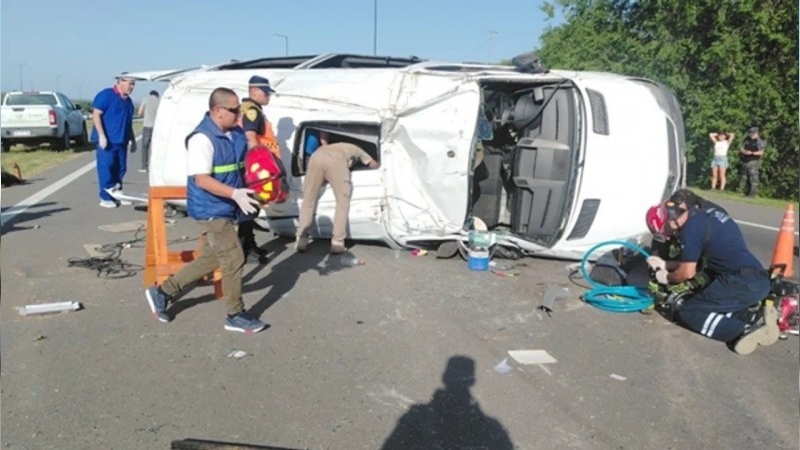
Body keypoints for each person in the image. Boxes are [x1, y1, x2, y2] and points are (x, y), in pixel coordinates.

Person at [144, 87, 266, 334]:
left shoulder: (235, 133)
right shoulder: (202, 139)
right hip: (210, 207)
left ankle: (162, 292)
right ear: (218, 111)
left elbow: (246, 160)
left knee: (212, 258)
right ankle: (235, 314)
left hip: (228, 205)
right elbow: (202, 180)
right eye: (234, 110)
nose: (239, 115)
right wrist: (234, 193)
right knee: (234, 257)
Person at [645, 196, 778, 355]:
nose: (668, 235)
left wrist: (666, 277)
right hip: (757, 281)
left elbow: (687, 272)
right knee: (714, 304)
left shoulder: (690, 230)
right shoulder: (708, 215)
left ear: (670, 220)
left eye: (664, 230)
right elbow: (692, 260)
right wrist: (664, 264)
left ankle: (742, 331)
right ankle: (754, 318)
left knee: (690, 311)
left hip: (738, 282)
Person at [295, 134, 379, 254]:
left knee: (308, 200)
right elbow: (372, 163)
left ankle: (301, 240)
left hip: (316, 157)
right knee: (342, 202)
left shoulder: (334, 146)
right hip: (337, 160)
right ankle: (337, 242)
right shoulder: (358, 150)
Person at [236, 75, 278, 263]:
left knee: (252, 207)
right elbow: (251, 138)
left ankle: (249, 244)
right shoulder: (252, 111)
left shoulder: (251, 108)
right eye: (265, 92)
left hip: (252, 166)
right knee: (249, 208)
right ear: (253, 91)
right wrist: (259, 166)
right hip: (255, 168)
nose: (268, 96)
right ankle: (244, 249)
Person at [91, 75, 137, 208]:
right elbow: (96, 114)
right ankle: (105, 197)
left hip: (121, 141)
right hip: (108, 141)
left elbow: (128, 123)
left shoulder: (129, 102)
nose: (131, 87)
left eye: (133, 84)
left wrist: (133, 140)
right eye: (130, 84)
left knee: (121, 168)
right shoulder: (106, 95)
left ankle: (117, 194)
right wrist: (102, 135)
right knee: (107, 167)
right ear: (120, 82)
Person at [137, 90, 160, 173]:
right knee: (156, 147)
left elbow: (139, 112)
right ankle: (156, 167)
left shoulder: (145, 99)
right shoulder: (159, 101)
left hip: (147, 125)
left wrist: (145, 114)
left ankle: (144, 166)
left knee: (145, 147)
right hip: (157, 126)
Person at [739, 127, 766, 197]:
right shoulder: (747, 140)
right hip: (745, 160)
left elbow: (761, 152)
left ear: (756, 133)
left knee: (753, 178)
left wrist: (752, 153)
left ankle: (753, 194)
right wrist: (745, 152)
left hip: (754, 161)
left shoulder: (759, 141)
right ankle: (746, 192)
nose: (751, 134)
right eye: (750, 133)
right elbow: (741, 149)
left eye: (752, 133)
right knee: (746, 177)